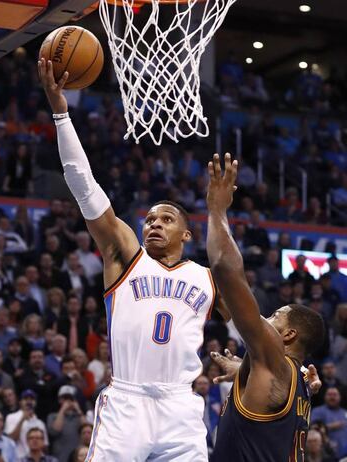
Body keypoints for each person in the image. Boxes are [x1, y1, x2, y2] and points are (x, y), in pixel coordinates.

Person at [39, 57, 217, 461]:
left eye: (166, 219)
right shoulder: (126, 255)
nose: (153, 224)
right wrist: (61, 114)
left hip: (181, 406)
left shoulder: (207, 278)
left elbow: (253, 331)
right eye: (149, 218)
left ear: (186, 234)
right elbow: (83, 186)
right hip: (128, 400)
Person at [206, 153, 325, 461]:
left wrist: (217, 209)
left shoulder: (274, 359)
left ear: (287, 336)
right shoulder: (298, 381)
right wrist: (243, 368)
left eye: (275, 317)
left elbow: (224, 268)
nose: (266, 321)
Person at [4, 389, 49, 459]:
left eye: (32, 399)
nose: (29, 401)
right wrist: (22, 419)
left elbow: (45, 446)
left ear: (35, 402)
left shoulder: (40, 423)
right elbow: (10, 440)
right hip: (18, 458)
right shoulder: (11, 417)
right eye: (25, 399)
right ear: (20, 402)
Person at [47, 385, 86, 462]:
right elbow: (55, 431)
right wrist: (63, 410)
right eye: (65, 398)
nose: (68, 401)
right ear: (59, 400)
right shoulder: (52, 416)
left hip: (78, 457)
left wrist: (78, 410)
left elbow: (87, 429)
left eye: (70, 398)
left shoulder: (79, 416)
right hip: (60, 457)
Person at [311, 387, 347, 459]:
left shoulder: (344, 412)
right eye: (329, 394)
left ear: (340, 397)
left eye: (335, 395)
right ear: (325, 396)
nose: (332, 397)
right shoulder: (317, 411)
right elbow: (313, 429)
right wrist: (330, 426)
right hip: (326, 455)